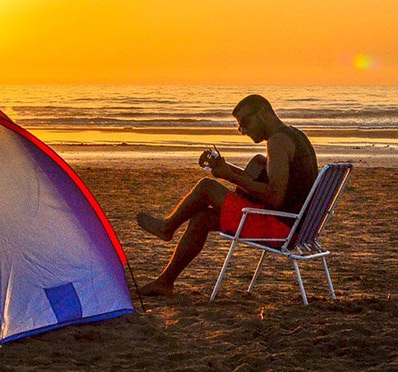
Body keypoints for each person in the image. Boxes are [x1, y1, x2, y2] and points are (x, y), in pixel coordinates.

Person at [135, 94, 318, 296]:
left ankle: (167, 227)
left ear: (264, 113)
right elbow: (268, 185)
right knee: (202, 218)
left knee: (207, 188)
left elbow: (275, 197)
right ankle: (165, 282)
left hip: (282, 229)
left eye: (245, 123)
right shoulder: (295, 135)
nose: (243, 131)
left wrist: (229, 176)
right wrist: (224, 168)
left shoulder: (278, 142)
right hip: (298, 227)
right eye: (239, 127)